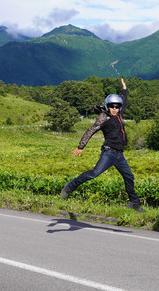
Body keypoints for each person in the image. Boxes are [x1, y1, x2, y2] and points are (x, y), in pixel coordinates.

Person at [60, 77, 145, 213]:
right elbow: (90, 131)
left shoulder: (119, 114)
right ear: (107, 106)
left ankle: (134, 203)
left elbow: (124, 101)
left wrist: (124, 88)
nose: (114, 109)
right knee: (94, 173)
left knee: (129, 177)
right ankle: (69, 187)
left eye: (117, 107)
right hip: (109, 153)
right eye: (112, 106)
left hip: (119, 155)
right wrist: (81, 147)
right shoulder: (103, 118)